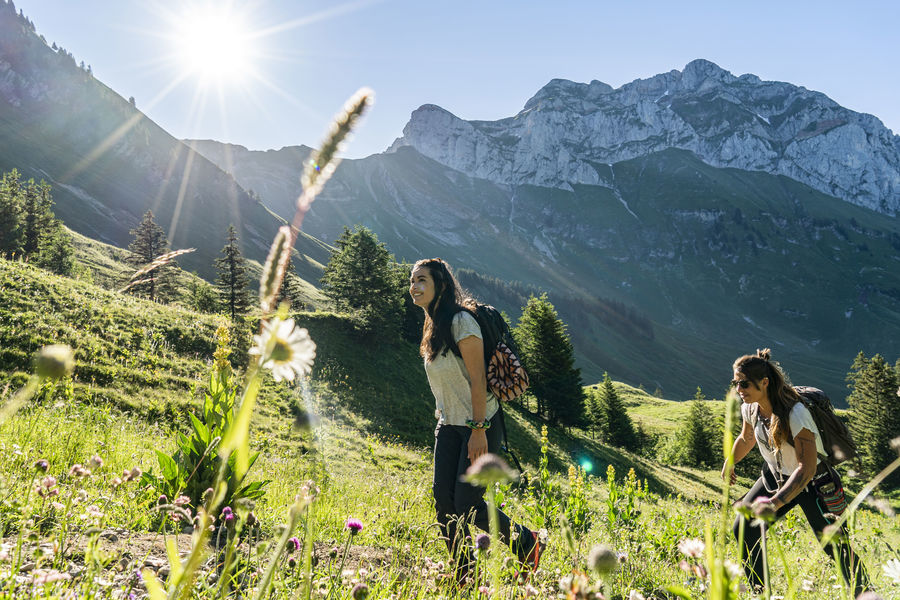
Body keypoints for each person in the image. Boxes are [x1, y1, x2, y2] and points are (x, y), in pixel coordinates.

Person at [409, 258, 542, 585]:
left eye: (422, 280)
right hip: (448, 424)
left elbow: (479, 379)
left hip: (479, 423)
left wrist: (478, 429)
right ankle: (464, 573)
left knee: (467, 502)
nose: (414, 286)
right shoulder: (432, 325)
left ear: (441, 284)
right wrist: (443, 412)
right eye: (412, 280)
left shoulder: (461, 322)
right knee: (444, 502)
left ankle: (527, 543)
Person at [722, 349, 870, 596]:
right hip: (776, 475)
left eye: (744, 384)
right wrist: (731, 461)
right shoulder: (751, 407)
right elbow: (746, 438)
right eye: (735, 383)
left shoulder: (796, 413)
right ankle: (761, 593)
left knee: (834, 545)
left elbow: (807, 468)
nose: (739, 389)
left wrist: (776, 502)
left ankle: (867, 594)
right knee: (745, 528)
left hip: (813, 483)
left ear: (764, 382)